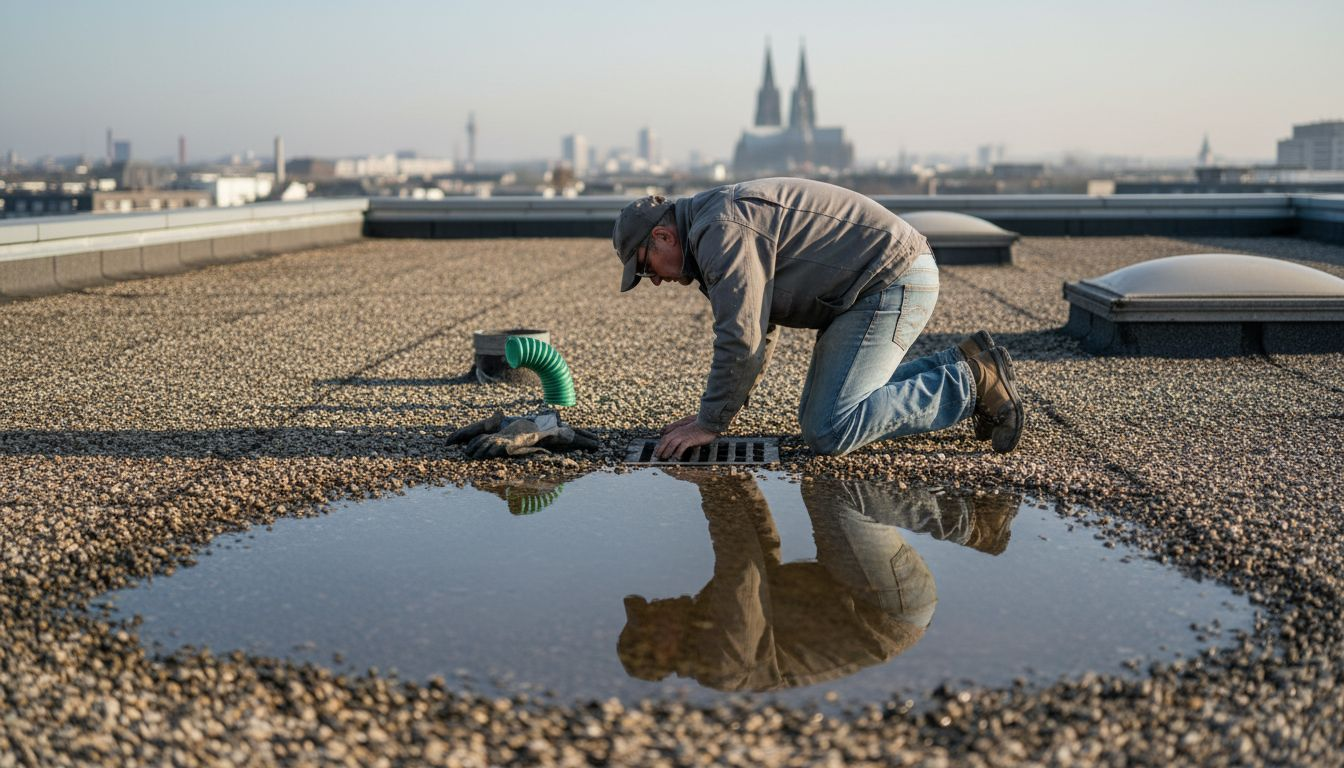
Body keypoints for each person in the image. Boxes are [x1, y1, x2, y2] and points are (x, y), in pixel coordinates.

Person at [612, 177, 1025, 460]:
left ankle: (970, 384)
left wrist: (709, 423)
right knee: (815, 415)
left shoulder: (720, 230)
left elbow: (741, 340)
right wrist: (714, 417)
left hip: (889, 279)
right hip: (865, 286)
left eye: (647, 269)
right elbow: (759, 330)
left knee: (830, 429)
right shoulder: (712, 226)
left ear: (663, 237)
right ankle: (962, 363)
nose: (654, 282)